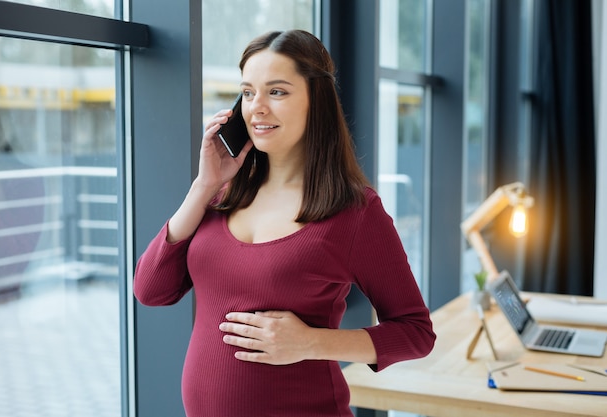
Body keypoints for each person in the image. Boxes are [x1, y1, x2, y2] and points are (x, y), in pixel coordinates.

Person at [133, 29, 436, 417]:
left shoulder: (354, 211)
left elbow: (416, 333)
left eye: (277, 92)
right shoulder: (221, 195)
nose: (256, 107)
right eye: (247, 92)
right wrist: (203, 185)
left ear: (316, 102)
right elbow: (150, 289)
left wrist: (312, 343)